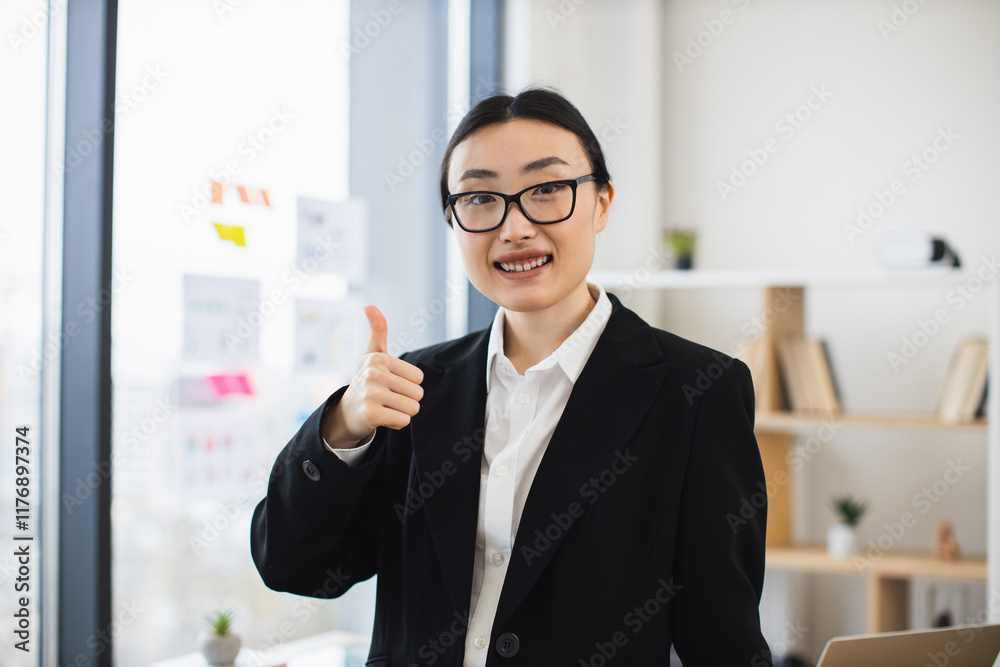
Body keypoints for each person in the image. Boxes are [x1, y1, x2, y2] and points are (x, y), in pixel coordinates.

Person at [251, 88, 772, 666]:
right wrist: (344, 427)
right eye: (479, 198)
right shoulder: (413, 387)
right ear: (453, 220)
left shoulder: (695, 391)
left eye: (547, 189)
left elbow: (721, 637)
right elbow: (295, 567)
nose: (515, 227)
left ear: (601, 202)